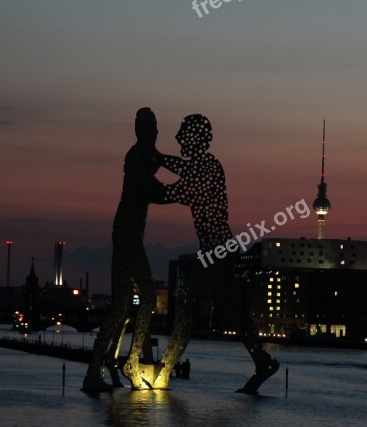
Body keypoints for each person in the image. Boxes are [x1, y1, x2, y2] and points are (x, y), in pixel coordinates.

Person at [156, 115, 279, 394]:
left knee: (186, 302)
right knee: (231, 311)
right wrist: (158, 158)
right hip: (219, 250)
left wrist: (147, 180)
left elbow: (174, 191)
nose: (177, 139)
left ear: (196, 139)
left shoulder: (207, 167)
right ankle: (262, 361)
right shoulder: (202, 165)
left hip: (217, 251)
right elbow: (182, 167)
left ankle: (165, 367)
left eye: (183, 134)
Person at [82, 108, 165, 392]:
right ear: (143, 131)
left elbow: (162, 165)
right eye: (152, 127)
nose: (156, 132)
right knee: (145, 300)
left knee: (124, 307)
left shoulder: (143, 154)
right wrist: (187, 191)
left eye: (155, 127)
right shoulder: (139, 156)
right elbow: (155, 191)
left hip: (127, 234)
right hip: (128, 236)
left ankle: (103, 366)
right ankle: (126, 361)